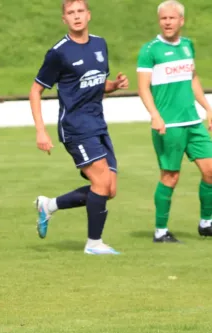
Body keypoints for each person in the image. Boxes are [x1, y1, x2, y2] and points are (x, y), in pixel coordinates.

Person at [29, 0, 129, 255]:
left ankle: (49, 206)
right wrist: (41, 131)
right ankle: (94, 244)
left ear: (88, 15)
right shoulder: (59, 52)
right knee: (101, 181)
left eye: (80, 11)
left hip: (98, 125)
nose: (76, 16)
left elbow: (95, 82)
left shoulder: (99, 44)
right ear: (64, 19)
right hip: (75, 127)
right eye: (70, 13)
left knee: (109, 189)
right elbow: (36, 90)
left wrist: (114, 85)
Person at [137, 0, 212, 243]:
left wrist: (208, 109)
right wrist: (155, 115)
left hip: (193, 122)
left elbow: (193, 79)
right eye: (163, 18)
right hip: (168, 125)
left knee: (210, 171)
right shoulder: (150, 50)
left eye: (172, 18)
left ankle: (206, 223)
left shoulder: (188, 46)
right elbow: (143, 88)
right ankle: (160, 231)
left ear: (181, 21)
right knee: (170, 177)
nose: (167, 22)